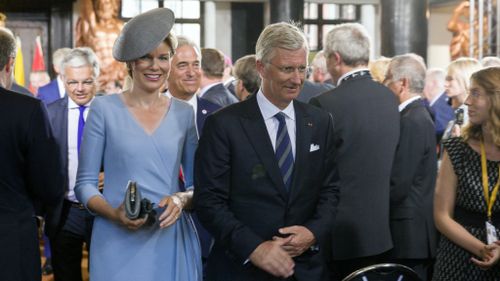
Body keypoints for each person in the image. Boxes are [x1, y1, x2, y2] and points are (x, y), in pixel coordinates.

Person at [194, 22, 340, 281]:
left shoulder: (319, 121)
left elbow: (330, 190)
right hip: (242, 269)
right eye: (287, 69)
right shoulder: (224, 124)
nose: (297, 79)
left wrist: (312, 232)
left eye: (301, 69)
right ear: (261, 67)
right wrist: (255, 248)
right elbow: (209, 202)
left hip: (305, 269)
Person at [74, 8, 201, 281]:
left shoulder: (183, 114)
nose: (155, 66)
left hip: (168, 239)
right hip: (114, 241)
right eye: (146, 57)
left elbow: (197, 186)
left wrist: (181, 199)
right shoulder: (104, 109)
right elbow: (84, 183)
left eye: (163, 58)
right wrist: (115, 213)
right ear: (130, 62)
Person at [309, 23, 400, 280]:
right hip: (380, 230)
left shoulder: (326, 103)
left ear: (335, 58)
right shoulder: (389, 98)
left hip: (338, 233)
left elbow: (314, 171)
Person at [0, 28, 64, 281]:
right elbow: (50, 182)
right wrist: (41, 214)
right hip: (11, 237)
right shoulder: (27, 109)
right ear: (10, 63)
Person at [433, 66, 500, 280]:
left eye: (476, 93)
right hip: (458, 259)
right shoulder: (457, 148)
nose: (467, 101)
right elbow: (441, 216)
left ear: (495, 98)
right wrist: (482, 249)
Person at [165, 35, 220, 266]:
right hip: (162, 226)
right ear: (166, 69)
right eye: (182, 65)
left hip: (208, 231)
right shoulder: (149, 114)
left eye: (196, 64)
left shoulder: (219, 115)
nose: (191, 72)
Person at [47, 47, 99, 281]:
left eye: (86, 82)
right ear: (63, 80)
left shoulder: (112, 111)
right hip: (64, 211)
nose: (79, 89)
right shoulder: (49, 114)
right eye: (72, 82)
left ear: (96, 78)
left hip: (104, 210)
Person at [384, 54, 438, 280]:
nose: (383, 84)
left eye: (387, 78)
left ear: (402, 83)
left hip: (409, 233)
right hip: (411, 231)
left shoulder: (412, 119)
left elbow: (399, 182)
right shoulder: (414, 115)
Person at [75, 0, 126, 89]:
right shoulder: (92, 28)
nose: (104, 6)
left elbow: (127, 52)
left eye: (107, 3)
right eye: (102, 3)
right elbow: (87, 9)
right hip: (98, 73)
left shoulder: (120, 26)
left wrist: (116, 69)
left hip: (117, 72)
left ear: (113, 6)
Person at [442, 57, 481, 141]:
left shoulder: (472, 116)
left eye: (450, 79)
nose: (445, 84)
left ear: (465, 78)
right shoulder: (460, 112)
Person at [424, 68, 454, 143]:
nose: (421, 86)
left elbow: (441, 130)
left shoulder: (442, 106)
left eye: (424, 82)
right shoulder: (438, 103)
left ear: (434, 83)